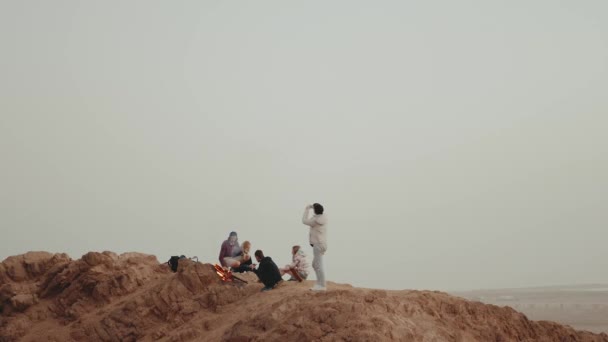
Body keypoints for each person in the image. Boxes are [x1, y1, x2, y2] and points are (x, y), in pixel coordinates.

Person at [302, 203, 328, 291]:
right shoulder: (323, 217)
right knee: (315, 264)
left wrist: (307, 209)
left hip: (317, 245)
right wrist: (315, 207)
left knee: (318, 265)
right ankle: (319, 283)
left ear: (315, 211)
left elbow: (304, 220)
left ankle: (322, 285)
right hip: (322, 244)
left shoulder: (315, 220)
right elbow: (318, 214)